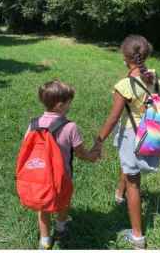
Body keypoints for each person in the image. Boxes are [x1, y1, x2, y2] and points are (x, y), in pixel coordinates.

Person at [91, 35, 160, 250]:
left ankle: (137, 237)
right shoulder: (155, 78)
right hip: (151, 133)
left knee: (134, 182)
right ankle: (118, 195)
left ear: (125, 57)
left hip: (133, 136)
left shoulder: (124, 85)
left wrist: (98, 140)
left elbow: (113, 118)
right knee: (128, 166)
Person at [25, 79, 102, 250]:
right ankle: (60, 228)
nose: (70, 106)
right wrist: (94, 155)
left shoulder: (33, 124)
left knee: (43, 207)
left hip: (39, 175)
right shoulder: (70, 127)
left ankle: (44, 240)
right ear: (60, 105)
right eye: (69, 103)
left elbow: (26, 148)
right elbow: (81, 154)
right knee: (63, 203)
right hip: (62, 176)